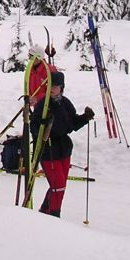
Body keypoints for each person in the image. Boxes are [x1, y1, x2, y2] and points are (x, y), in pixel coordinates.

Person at [29, 71, 93, 217]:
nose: (51, 88)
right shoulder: (43, 104)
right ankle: (54, 214)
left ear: (61, 87)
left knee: (60, 185)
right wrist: (42, 127)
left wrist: (85, 118)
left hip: (64, 148)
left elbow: (72, 124)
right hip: (48, 149)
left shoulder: (65, 103)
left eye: (55, 86)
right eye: (49, 85)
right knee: (58, 185)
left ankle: (45, 211)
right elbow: (34, 127)